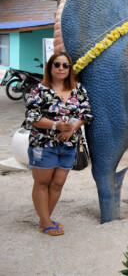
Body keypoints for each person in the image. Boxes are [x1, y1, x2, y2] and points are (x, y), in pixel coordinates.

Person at [22, 51, 93, 236]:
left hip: (68, 144)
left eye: (65, 65)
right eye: (57, 64)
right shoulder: (39, 90)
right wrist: (56, 125)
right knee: (42, 182)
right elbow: (32, 116)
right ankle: (46, 223)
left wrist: (71, 128)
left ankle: (44, 219)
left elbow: (85, 114)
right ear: (50, 67)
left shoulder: (78, 90)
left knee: (58, 184)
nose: (61, 68)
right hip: (43, 143)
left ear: (70, 69)